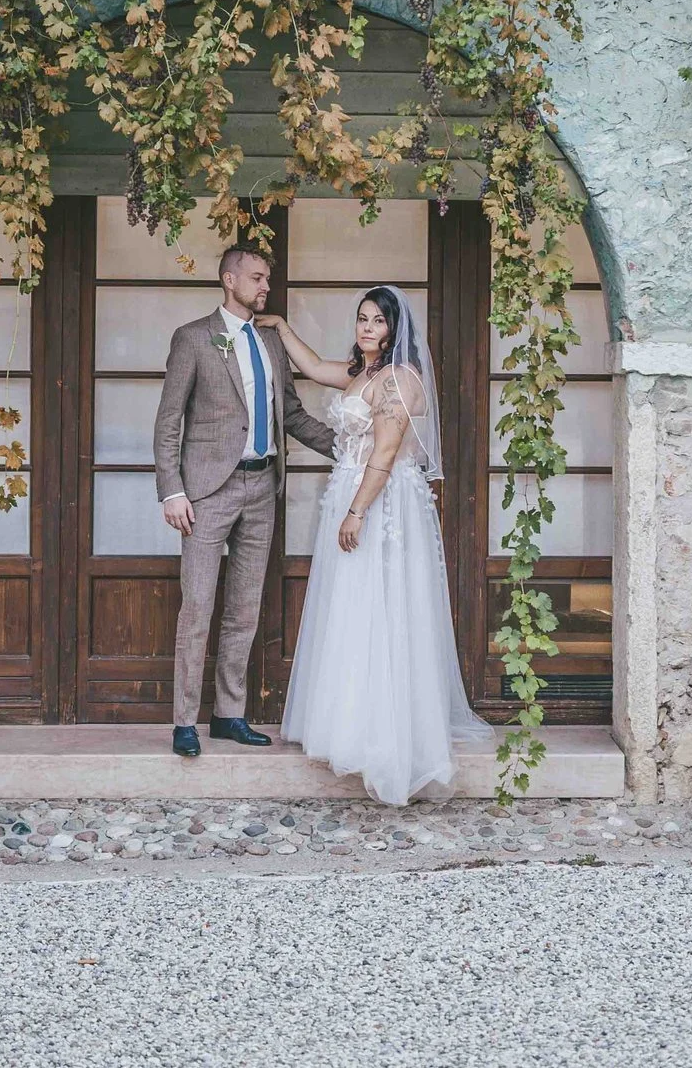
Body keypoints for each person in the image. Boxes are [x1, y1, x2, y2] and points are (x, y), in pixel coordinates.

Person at [261, 287, 490, 805]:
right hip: (350, 490)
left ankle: (386, 738)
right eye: (362, 319)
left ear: (394, 329)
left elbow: (385, 452)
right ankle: (348, 724)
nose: (367, 328)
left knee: (384, 609)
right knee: (352, 609)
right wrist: (279, 327)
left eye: (378, 322)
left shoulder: (400, 381)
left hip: (382, 502)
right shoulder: (360, 373)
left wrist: (358, 510)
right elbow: (317, 368)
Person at [152, 244, 337, 760]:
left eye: (267, 280)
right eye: (256, 278)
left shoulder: (272, 343)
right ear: (229, 280)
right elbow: (169, 422)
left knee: (244, 610)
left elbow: (294, 416)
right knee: (198, 607)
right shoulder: (192, 338)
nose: (264, 287)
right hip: (207, 492)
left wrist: (351, 449)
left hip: (262, 490)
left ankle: (229, 715)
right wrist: (172, 490)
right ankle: (184, 721)